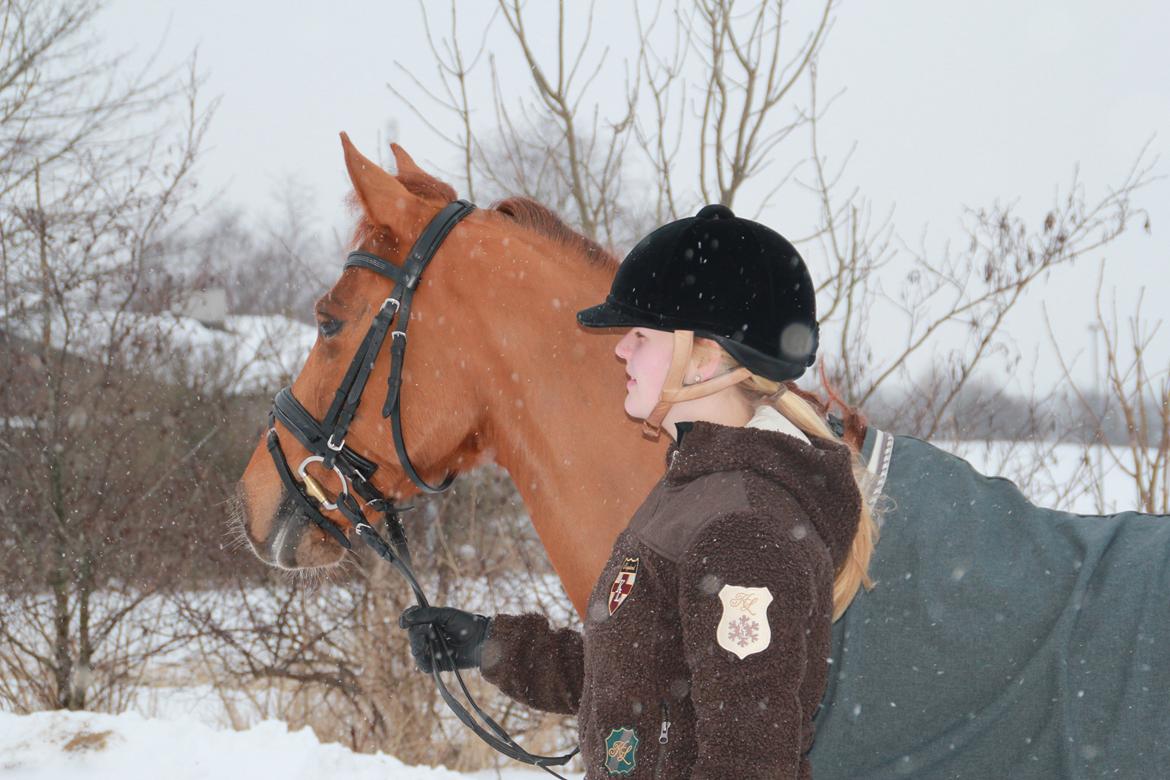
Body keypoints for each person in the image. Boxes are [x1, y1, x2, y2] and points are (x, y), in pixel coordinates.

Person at [400, 204, 878, 778]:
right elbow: (633, 677)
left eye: (640, 336)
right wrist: (488, 645)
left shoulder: (742, 531)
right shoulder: (693, 493)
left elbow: (748, 763)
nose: (621, 350)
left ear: (703, 358)